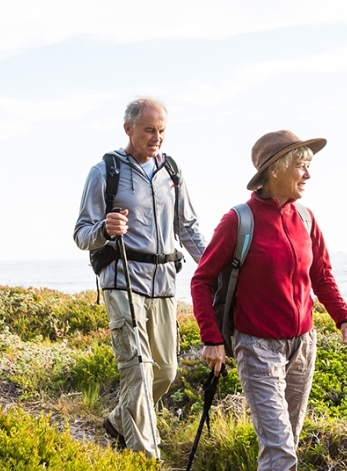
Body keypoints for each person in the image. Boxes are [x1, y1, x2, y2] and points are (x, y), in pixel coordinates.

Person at [190, 129, 347, 471]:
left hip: (303, 345)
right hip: (257, 347)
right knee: (280, 450)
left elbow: (322, 276)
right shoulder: (239, 220)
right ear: (275, 169)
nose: (308, 175)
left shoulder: (307, 219)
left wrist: (345, 317)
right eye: (301, 165)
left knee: (286, 443)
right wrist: (211, 338)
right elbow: (202, 280)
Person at [73, 96, 207, 459]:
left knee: (165, 370)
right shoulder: (105, 171)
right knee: (138, 371)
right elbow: (82, 233)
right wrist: (104, 227)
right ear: (128, 128)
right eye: (150, 130)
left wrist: (213, 268)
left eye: (162, 130)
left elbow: (189, 228)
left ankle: (118, 420)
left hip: (164, 283)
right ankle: (147, 456)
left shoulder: (172, 173)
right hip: (122, 281)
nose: (157, 137)